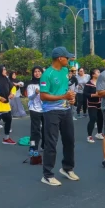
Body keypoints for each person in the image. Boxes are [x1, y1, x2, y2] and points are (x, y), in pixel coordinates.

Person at [41, 47, 79, 187]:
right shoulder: (47, 74)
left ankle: (67, 168)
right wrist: (63, 96)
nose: (68, 60)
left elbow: (65, 90)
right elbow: (43, 96)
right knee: (51, 143)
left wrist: (70, 98)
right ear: (60, 58)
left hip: (66, 110)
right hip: (51, 112)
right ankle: (47, 174)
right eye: (67, 57)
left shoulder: (64, 71)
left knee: (69, 140)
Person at [24, 66, 44, 164]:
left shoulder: (45, 83)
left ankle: (41, 146)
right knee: (35, 131)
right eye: (35, 71)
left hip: (45, 109)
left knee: (46, 129)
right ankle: (33, 148)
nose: (37, 73)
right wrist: (36, 94)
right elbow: (30, 98)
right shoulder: (31, 84)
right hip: (34, 109)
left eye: (39, 71)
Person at [0, 65, 16, 145]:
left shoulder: (6, 79)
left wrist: (12, 94)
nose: (5, 71)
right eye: (4, 69)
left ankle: (6, 138)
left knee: (8, 122)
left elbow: (13, 87)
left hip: (6, 107)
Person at [84, 69, 103, 144]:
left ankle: (99, 133)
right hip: (92, 103)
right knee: (93, 118)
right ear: (93, 74)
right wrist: (94, 95)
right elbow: (85, 94)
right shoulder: (88, 84)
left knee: (101, 118)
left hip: (100, 103)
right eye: (98, 72)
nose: (99, 73)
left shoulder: (101, 83)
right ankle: (89, 136)